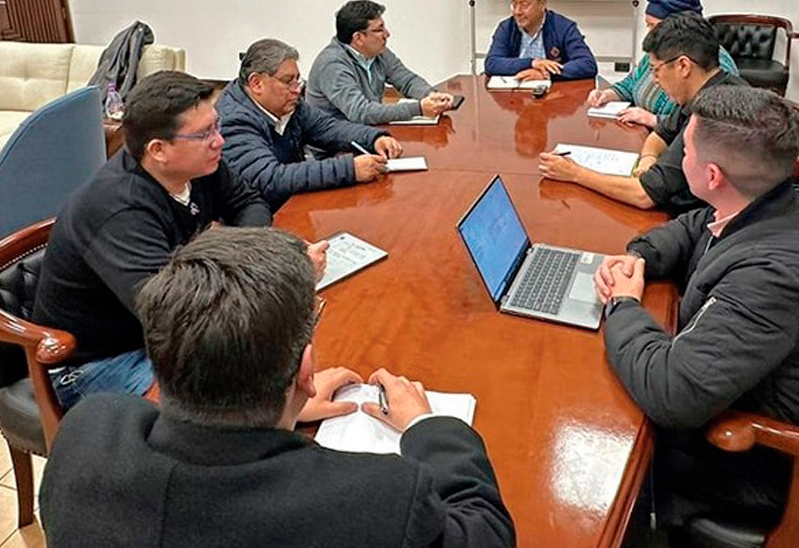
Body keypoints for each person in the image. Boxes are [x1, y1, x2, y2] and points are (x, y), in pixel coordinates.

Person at [40, 227, 516, 548]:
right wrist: (429, 426)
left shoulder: (86, 433)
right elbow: (488, 532)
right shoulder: (380, 501)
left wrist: (284, 409)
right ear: (306, 371)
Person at [592, 86, 799, 536]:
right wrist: (640, 257)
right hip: (752, 398)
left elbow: (673, 393)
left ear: (712, 174)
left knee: (604, 433)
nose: (679, 157)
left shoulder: (773, 276)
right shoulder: (787, 202)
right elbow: (696, 225)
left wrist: (622, 303)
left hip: (778, 466)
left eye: (685, 150)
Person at [32, 71, 330, 410]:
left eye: (216, 126)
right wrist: (282, 271)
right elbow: (172, 313)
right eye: (204, 134)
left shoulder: (200, 165)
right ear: (158, 150)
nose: (220, 141)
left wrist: (257, 260)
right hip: (98, 363)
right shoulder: (118, 208)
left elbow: (249, 203)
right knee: (252, 403)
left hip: (161, 336)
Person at [539, 12, 748, 214]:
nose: (655, 80)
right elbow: (660, 135)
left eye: (656, 70)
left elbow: (644, 195)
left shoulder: (713, 114)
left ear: (683, 66)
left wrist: (575, 173)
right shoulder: (705, 89)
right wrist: (648, 158)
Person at [219, 38, 405, 210]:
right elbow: (270, 179)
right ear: (256, 83)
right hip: (259, 218)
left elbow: (329, 128)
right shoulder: (233, 121)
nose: (297, 90)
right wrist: (349, 170)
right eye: (287, 81)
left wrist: (374, 138)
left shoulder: (289, 105)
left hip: (294, 200)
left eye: (297, 80)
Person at [587, 0, 739, 128]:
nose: (650, 33)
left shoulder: (713, 67)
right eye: (648, 25)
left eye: (654, 26)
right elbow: (631, 83)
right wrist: (607, 95)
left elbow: (700, 126)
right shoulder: (658, 52)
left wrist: (653, 120)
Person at [306, 0, 455, 124]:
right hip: (334, 149)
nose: (387, 34)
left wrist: (431, 96)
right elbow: (360, 112)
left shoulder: (378, 52)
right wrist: (419, 109)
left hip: (367, 133)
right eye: (379, 30)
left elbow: (407, 80)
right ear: (358, 38)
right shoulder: (332, 65)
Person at [484, 0, 597, 81]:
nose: (517, 11)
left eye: (524, 5)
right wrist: (532, 63)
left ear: (542, 4)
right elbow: (492, 63)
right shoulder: (507, 27)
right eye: (514, 4)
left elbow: (587, 64)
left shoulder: (563, 27)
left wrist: (545, 74)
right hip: (514, 92)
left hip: (553, 94)